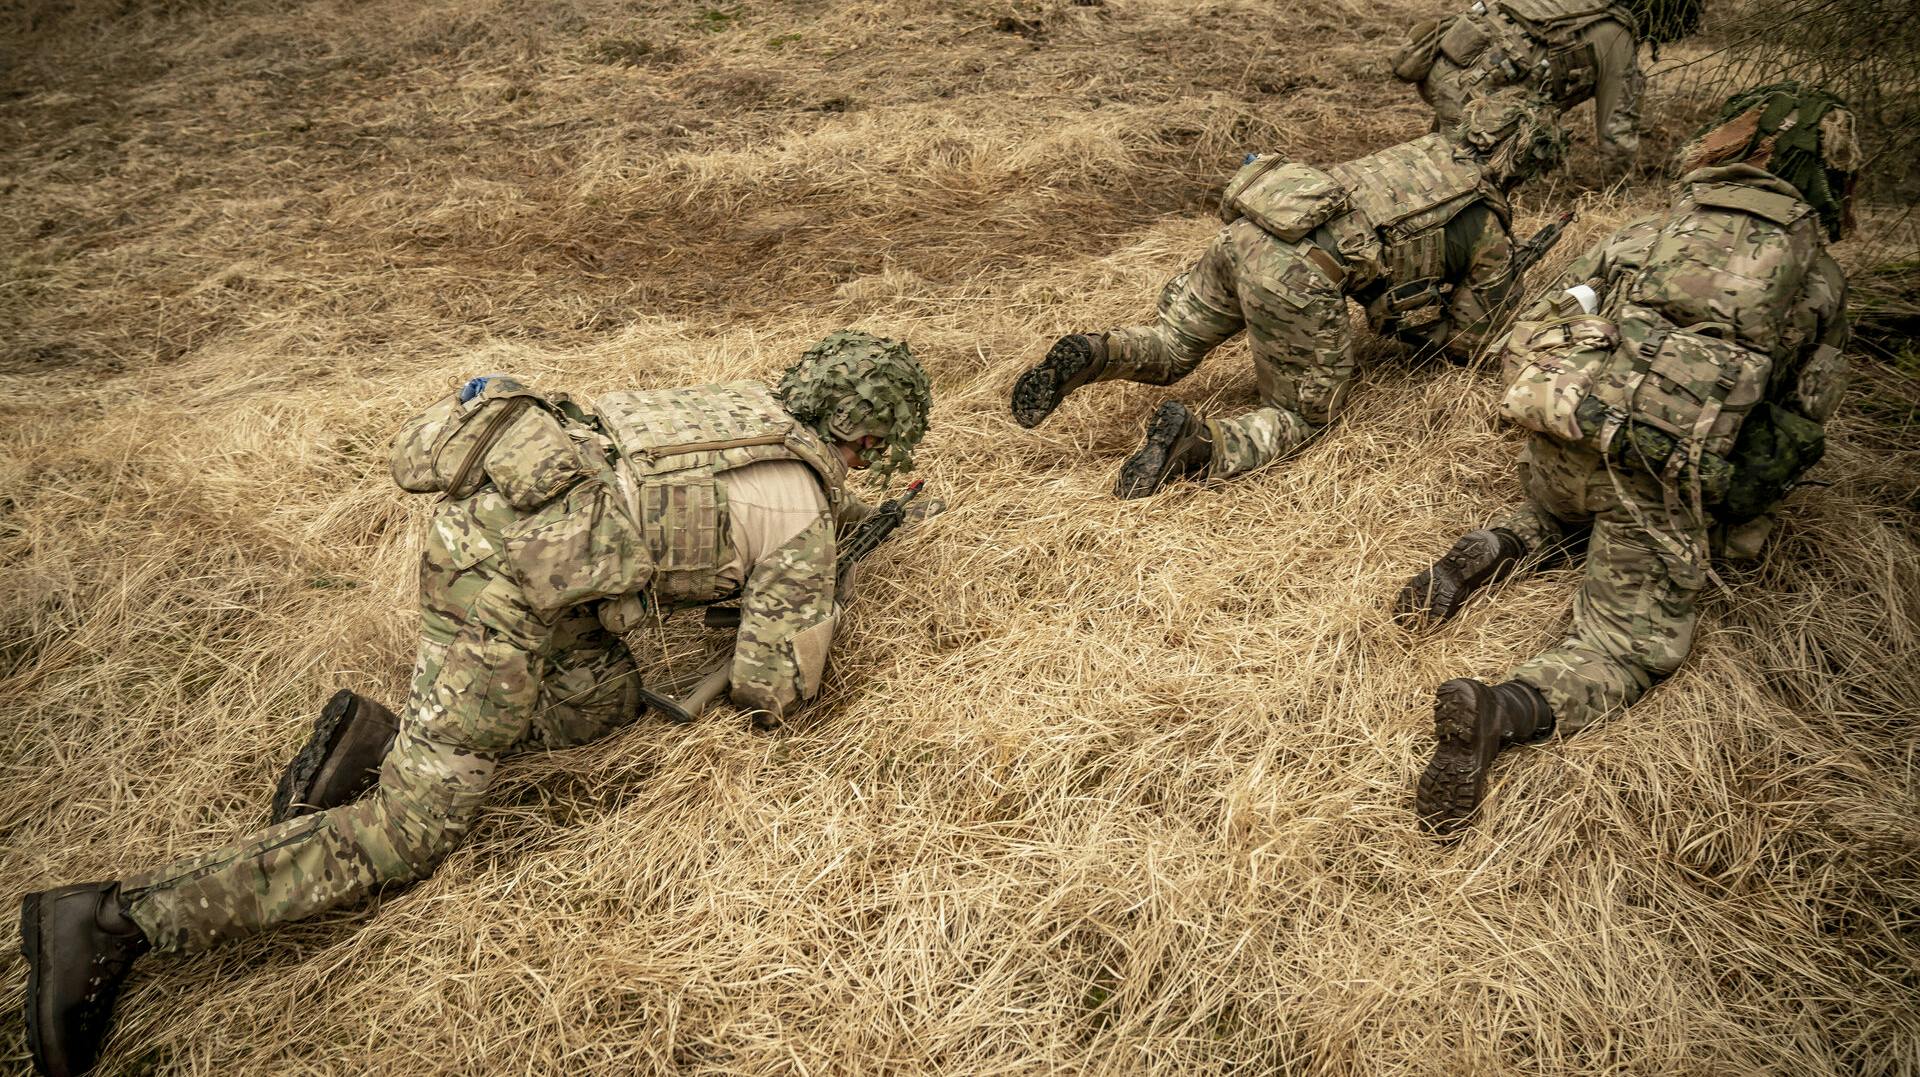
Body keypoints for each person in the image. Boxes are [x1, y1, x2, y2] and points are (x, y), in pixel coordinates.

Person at [17, 329, 933, 1076]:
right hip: (504, 582)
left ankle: (378, 737)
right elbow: (776, 693)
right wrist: (816, 600)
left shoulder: (747, 408)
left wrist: (817, 541)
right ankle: (114, 918)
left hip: (513, 535)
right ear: (868, 442)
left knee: (598, 695)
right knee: (411, 830)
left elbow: (707, 494)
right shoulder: (802, 510)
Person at [1396, 84, 1860, 836]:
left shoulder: (1648, 232)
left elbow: (1550, 319)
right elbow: (1798, 424)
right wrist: (1728, 518)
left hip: (1561, 443)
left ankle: (1495, 545)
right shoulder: (1819, 283)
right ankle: (1502, 709)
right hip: (1649, 478)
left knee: (1566, 511)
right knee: (1627, 646)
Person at [1010, 90, 1567, 499]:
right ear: (1527, 161)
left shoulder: (1421, 152)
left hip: (1248, 235)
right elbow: (1468, 342)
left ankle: (1093, 352)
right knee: (1301, 415)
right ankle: (1198, 444)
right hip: (1299, 276)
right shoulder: (1489, 226)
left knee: (1172, 342)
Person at [1389, 0, 1702, 178]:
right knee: (1458, 184)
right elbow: (1616, 133)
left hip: (1437, 68)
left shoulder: (1574, 6)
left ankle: (1430, 157)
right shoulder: (1615, 35)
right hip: (1474, 102)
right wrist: (1621, 190)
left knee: (1436, 158)